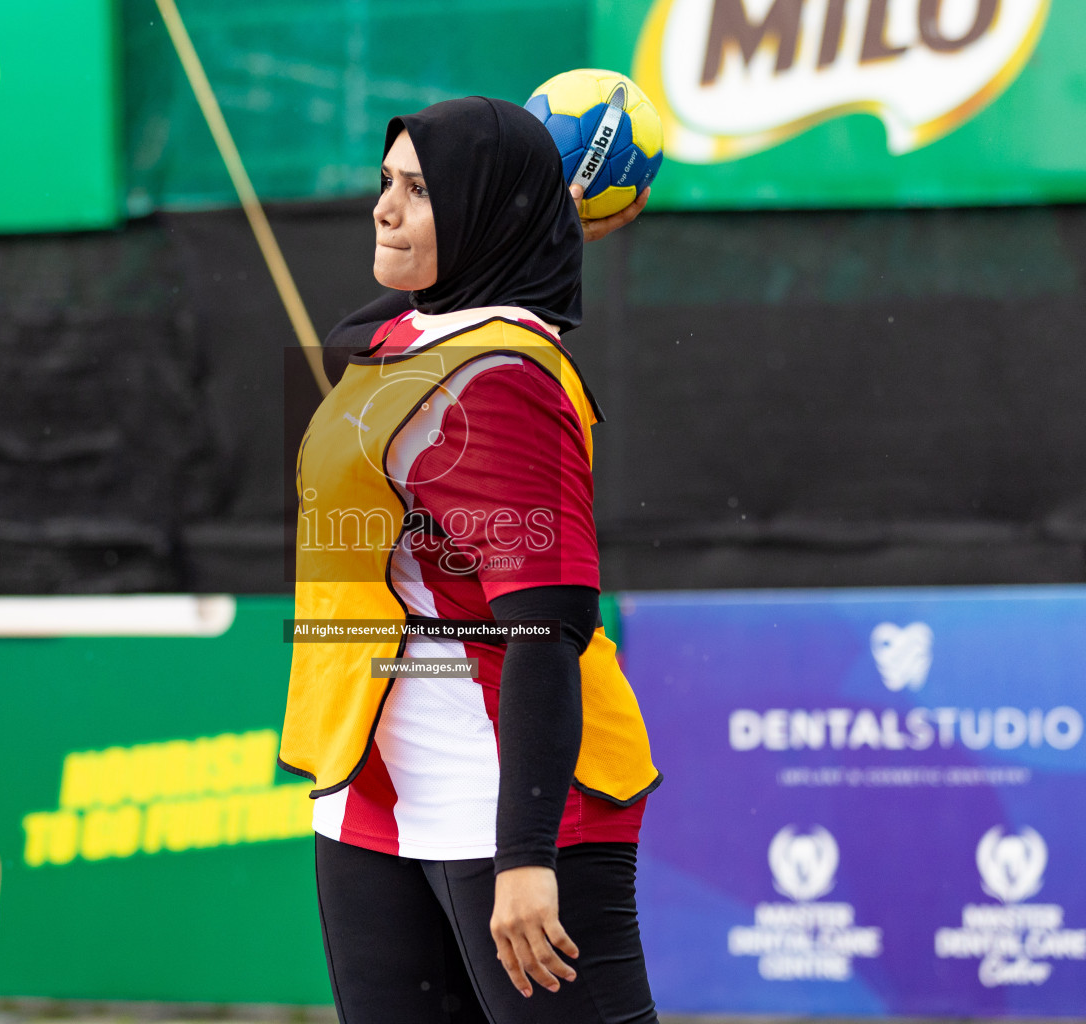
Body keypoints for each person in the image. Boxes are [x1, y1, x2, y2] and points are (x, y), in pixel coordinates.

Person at [281, 95, 661, 1024]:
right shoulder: (412, 340)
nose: (382, 207)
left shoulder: (502, 379)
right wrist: (522, 208)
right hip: (372, 783)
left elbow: (547, 628)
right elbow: (357, 330)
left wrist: (526, 853)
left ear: (483, 217)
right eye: (386, 182)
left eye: (418, 190)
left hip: (504, 791)